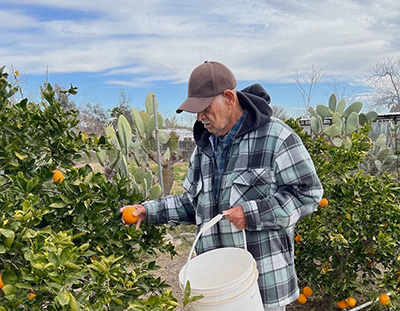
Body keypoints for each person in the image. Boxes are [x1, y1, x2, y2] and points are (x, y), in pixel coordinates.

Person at [121, 61, 323, 310]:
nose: (199, 117)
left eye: (204, 108)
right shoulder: (204, 147)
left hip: (260, 283)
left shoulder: (276, 137)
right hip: (215, 285)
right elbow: (194, 204)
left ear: (228, 97)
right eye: (196, 111)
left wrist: (252, 214)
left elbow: (308, 193)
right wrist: (148, 210)